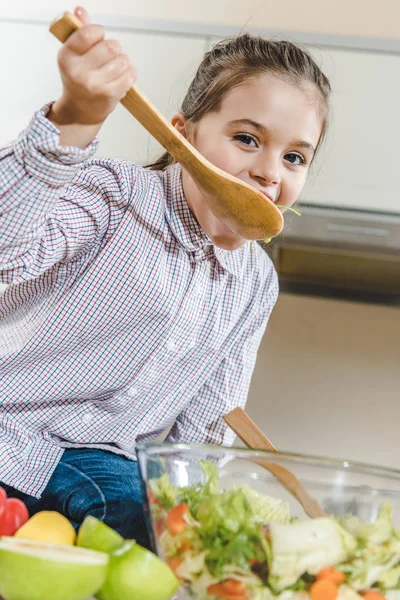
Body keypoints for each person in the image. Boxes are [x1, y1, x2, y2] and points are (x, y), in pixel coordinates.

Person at [0, 6, 330, 547]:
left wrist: (199, 521)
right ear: (184, 135)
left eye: (295, 156)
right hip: (9, 435)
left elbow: (204, 426)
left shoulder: (254, 283)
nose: (271, 171)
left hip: (104, 471)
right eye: (248, 139)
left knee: (161, 523)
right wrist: (76, 118)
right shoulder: (112, 196)